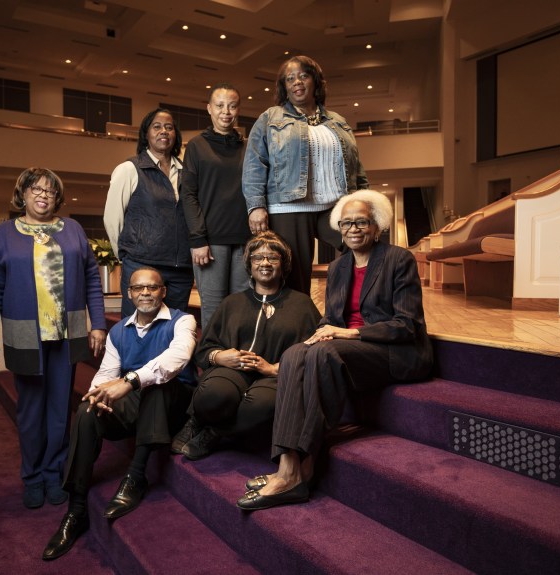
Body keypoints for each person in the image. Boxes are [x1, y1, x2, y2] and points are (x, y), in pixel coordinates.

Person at [236, 190, 433, 511]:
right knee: (296, 353)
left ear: (377, 226)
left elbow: (406, 325)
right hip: (349, 347)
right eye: (346, 224)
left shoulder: (399, 259)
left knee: (321, 354)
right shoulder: (339, 266)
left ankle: (304, 466)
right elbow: (330, 320)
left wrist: (347, 332)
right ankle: (288, 466)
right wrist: (315, 337)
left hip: (396, 352)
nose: (353, 229)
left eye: (361, 222)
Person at [42, 266, 197, 561]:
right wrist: (98, 395)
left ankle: (136, 476)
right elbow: (106, 374)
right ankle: (76, 510)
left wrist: (130, 381)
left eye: (152, 287)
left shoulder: (183, 321)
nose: (146, 293)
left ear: (163, 291)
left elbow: (176, 359)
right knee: (88, 409)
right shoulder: (119, 330)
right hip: (137, 402)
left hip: (176, 404)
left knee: (157, 384)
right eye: (139, 288)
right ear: (130, 293)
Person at [0, 167, 108, 509]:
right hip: (26, 337)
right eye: (35, 189)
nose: (42, 195)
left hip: (66, 336)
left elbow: (92, 279)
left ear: (57, 198)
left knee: (58, 411)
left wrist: (98, 324)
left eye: (50, 191)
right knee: (31, 411)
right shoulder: (5, 234)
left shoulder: (74, 230)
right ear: (22, 194)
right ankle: (32, 476)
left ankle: (54, 474)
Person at [171, 231, 320, 460]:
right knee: (213, 395)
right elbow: (204, 348)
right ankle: (197, 419)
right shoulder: (232, 302)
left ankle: (214, 432)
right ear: (250, 266)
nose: (265, 263)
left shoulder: (302, 304)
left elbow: (313, 351)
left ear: (284, 264)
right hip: (231, 370)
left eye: (273, 257)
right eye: (258, 258)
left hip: (274, 375)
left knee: (260, 407)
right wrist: (220, 357)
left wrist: (273, 368)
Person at [242, 55, 369, 295]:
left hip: (334, 205)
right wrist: (256, 206)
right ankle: (299, 328)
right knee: (296, 280)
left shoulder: (337, 122)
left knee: (364, 247)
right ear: (284, 87)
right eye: (290, 79)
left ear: (315, 81)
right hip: (288, 207)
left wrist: (365, 203)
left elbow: (356, 167)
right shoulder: (271, 118)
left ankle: (347, 310)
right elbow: (254, 164)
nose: (297, 82)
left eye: (303, 75)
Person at [104, 108, 193, 317]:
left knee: (173, 332)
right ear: (146, 134)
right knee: (138, 330)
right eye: (157, 127)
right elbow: (112, 218)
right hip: (141, 266)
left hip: (180, 270)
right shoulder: (129, 169)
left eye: (169, 127)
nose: (164, 131)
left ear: (175, 135)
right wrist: (127, 256)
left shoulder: (187, 172)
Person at [181, 82, 251, 329]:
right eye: (220, 106)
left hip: (245, 239)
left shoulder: (247, 146)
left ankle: (238, 364)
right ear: (209, 108)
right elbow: (188, 195)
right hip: (210, 241)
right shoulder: (197, 146)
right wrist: (198, 239)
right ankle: (213, 364)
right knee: (213, 310)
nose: (226, 112)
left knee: (241, 306)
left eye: (232, 106)